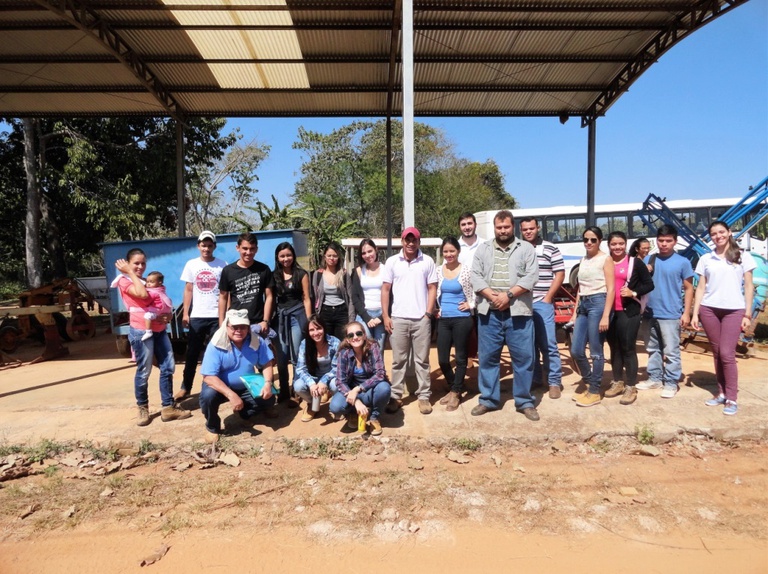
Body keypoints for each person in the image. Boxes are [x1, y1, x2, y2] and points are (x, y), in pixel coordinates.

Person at [470, 210, 540, 420]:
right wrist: (494, 297)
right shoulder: (483, 249)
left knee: (524, 359)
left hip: (518, 314)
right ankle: (489, 400)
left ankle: (524, 401)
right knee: (488, 358)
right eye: (499, 227)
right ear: (494, 228)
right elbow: (475, 276)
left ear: (513, 227)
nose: (502, 231)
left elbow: (531, 277)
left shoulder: (526, 249)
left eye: (506, 227)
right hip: (489, 315)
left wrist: (508, 296)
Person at [114, 249, 191, 426]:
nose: (140, 267)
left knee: (168, 366)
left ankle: (167, 407)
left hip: (160, 330)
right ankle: (142, 407)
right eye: (136, 263)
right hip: (141, 331)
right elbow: (141, 294)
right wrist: (130, 272)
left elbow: (162, 302)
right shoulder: (124, 281)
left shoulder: (146, 280)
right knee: (144, 371)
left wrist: (168, 317)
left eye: (143, 263)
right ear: (128, 264)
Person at [691, 221, 755, 416]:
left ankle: (732, 398)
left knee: (727, 354)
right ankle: (721, 393)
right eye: (713, 233)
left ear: (729, 232)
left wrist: (747, 313)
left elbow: (749, 286)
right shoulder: (706, 258)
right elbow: (700, 287)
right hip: (709, 309)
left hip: (734, 311)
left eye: (721, 232)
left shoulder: (743, 256)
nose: (717, 236)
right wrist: (695, 313)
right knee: (718, 352)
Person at [381, 227, 438, 415]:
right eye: (408, 240)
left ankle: (424, 397)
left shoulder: (427, 261)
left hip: (421, 319)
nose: (411, 243)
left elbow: (432, 288)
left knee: (422, 360)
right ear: (402, 241)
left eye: (414, 240)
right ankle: (396, 396)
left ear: (419, 242)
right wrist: (386, 316)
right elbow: (386, 290)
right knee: (398, 360)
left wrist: (428, 314)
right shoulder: (392, 262)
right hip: (398, 319)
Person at [199, 309, 277, 443]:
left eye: (243, 327)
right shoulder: (216, 344)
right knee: (208, 397)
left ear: (248, 327)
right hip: (220, 386)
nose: (239, 330)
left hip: (247, 383)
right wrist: (230, 394)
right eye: (234, 327)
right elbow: (208, 377)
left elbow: (267, 363)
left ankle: (243, 414)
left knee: (269, 399)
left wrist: (268, 383)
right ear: (226, 326)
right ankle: (212, 427)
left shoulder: (256, 340)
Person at [636, 224, 694, 398]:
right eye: (661, 240)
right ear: (656, 241)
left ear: (675, 242)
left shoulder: (683, 262)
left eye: (668, 241)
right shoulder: (648, 260)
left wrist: (686, 313)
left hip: (670, 313)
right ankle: (654, 377)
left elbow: (689, 288)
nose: (664, 244)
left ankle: (670, 382)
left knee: (671, 351)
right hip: (649, 312)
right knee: (652, 348)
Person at [603, 231, 654, 406]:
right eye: (613, 244)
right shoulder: (604, 261)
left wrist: (633, 292)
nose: (617, 247)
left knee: (628, 348)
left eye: (620, 244)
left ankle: (631, 386)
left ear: (626, 244)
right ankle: (618, 382)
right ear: (608, 245)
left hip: (628, 311)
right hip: (609, 312)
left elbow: (649, 284)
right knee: (614, 348)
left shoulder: (635, 262)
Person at [519, 216, 565, 399]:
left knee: (549, 344)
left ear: (537, 228)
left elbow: (560, 274)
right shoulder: (518, 249)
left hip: (542, 303)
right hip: (523, 304)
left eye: (531, 228)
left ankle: (554, 381)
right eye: (525, 229)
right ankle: (536, 379)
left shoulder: (550, 248)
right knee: (528, 345)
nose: (528, 232)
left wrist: (548, 298)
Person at [177, 230, 227, 400]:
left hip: (216, 316)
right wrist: (186, 313)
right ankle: (186, 387)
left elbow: (225, 293)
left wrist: (225, 315)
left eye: (209, 245)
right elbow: (189, 289)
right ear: (198, 246)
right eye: (203, 245)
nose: (206, 248)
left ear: (214, 246)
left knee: (217, 352)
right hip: (197, 316)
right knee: (192, 353)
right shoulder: (191, 264)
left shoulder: (222, 265)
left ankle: (216, 387)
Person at [570, 226, 615, 407]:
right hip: (584, 305)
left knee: (596, 351)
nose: (588, 243)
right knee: (576, 350)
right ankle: (589, 381)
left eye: (593, 240)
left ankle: (594, 391)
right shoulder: (583, 259)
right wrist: (575, 312)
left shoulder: (606, 259)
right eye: (586, 239)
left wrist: (605, 315)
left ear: (600, 241)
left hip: (599, 303)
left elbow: (611, 288)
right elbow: (580, 288)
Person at [329, 321, 391, 436]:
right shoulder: (344, 353)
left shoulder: (373, 347)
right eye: (351, 335)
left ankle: (374, 417)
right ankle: (353, 412)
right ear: (347, 339)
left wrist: (358, 388)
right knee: (335, 407)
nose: (355, 337)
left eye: (358, 333)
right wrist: (355, 400)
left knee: (384, 388)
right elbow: (340, 381)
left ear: (364, 335)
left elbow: (380, 374)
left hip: (370, 390)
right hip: (351, 392)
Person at [436, 237, 475, 411]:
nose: (449, 254)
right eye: (446, 251)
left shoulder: (466, 270)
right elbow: (433, 291)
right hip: (444, 319)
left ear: (458, 251)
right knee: (443, 359)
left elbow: (477, 290)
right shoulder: (438, 270)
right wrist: (435, 308)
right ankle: (454, 387)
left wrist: (471, 304)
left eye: (452, 251)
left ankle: (456, 391)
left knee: (460, 357)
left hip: (462, 318)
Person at [272, 241, 311, 402]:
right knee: (281, 357)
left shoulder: (302, 274)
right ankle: (283, 390)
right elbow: (269, 298)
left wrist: (309, 322)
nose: (285, 258)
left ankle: (296, 389)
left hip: (297, 317)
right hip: (280, 319)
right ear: (277, 257)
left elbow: (306, 299)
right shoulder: (273, 276)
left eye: (288, 255)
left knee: (296, 356)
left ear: (293, 256)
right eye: (282, 256)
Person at [218, 232, 274, 332]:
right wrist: (222, 325)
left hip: (257, 323)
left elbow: (269, 296)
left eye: (252, 249)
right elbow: (223, 298)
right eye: (245, 248)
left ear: (256, 249)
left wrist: (265, 321)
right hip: (235, 323)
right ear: (237, 248)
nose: (248, 252)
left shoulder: (264, 269)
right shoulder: (228, 271)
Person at [294, 314, 341, 422]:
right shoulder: (304, 344)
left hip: (330, 377)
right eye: (312, 330)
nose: (316, 333)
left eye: (319, 328)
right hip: (313, 377)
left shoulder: (334, 342)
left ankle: (336, 404)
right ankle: (312, 404)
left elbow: (337, 368)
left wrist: (324, 381)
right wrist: (311, 383)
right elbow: (300, 369)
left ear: (324, 328)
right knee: (298, 386)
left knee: (335, 385)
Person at [311, 243, 354, 341]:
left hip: (342, 312)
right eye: (329, 255)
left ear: (338, 257)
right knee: (326, 341)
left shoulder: (343, 274)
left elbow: (350, 297)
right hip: (325, 312)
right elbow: (315, 296)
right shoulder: (318, 275)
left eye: (335, 256)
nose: (332, 258)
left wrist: (351, 319)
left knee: (343, 342)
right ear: (324, 256)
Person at [457, 211, 485, 363]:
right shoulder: (455, 246)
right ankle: (467, 363)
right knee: (467, 332)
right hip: (463, 295)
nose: (467, 227)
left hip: (483, 294)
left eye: (469, 223)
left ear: (475, 224)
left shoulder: (486, 244)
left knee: (484, 329)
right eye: (463, 224)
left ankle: (484, 360)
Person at [349, 239, 387, 351]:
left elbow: (391, 295)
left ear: (376, 250)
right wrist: (367, 318)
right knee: (365, 349)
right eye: (364, 253)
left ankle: (379, 369)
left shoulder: (386, 269)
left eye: (370, 251)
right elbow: (355, 297)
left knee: (378, 351)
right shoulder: (359, 271)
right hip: (364, 315)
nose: (367, 255)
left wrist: (381, 317)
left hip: (381, 314)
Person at [139, 271, 172, 342]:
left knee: (147, 316)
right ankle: (163, 326)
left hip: (158, 310)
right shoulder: (161, 289)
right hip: (165, 310)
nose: (148, 284)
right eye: (147, 282)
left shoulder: (152, 292)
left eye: (151, 282)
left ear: (159, 282)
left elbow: (145, 302)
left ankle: (148, 332)